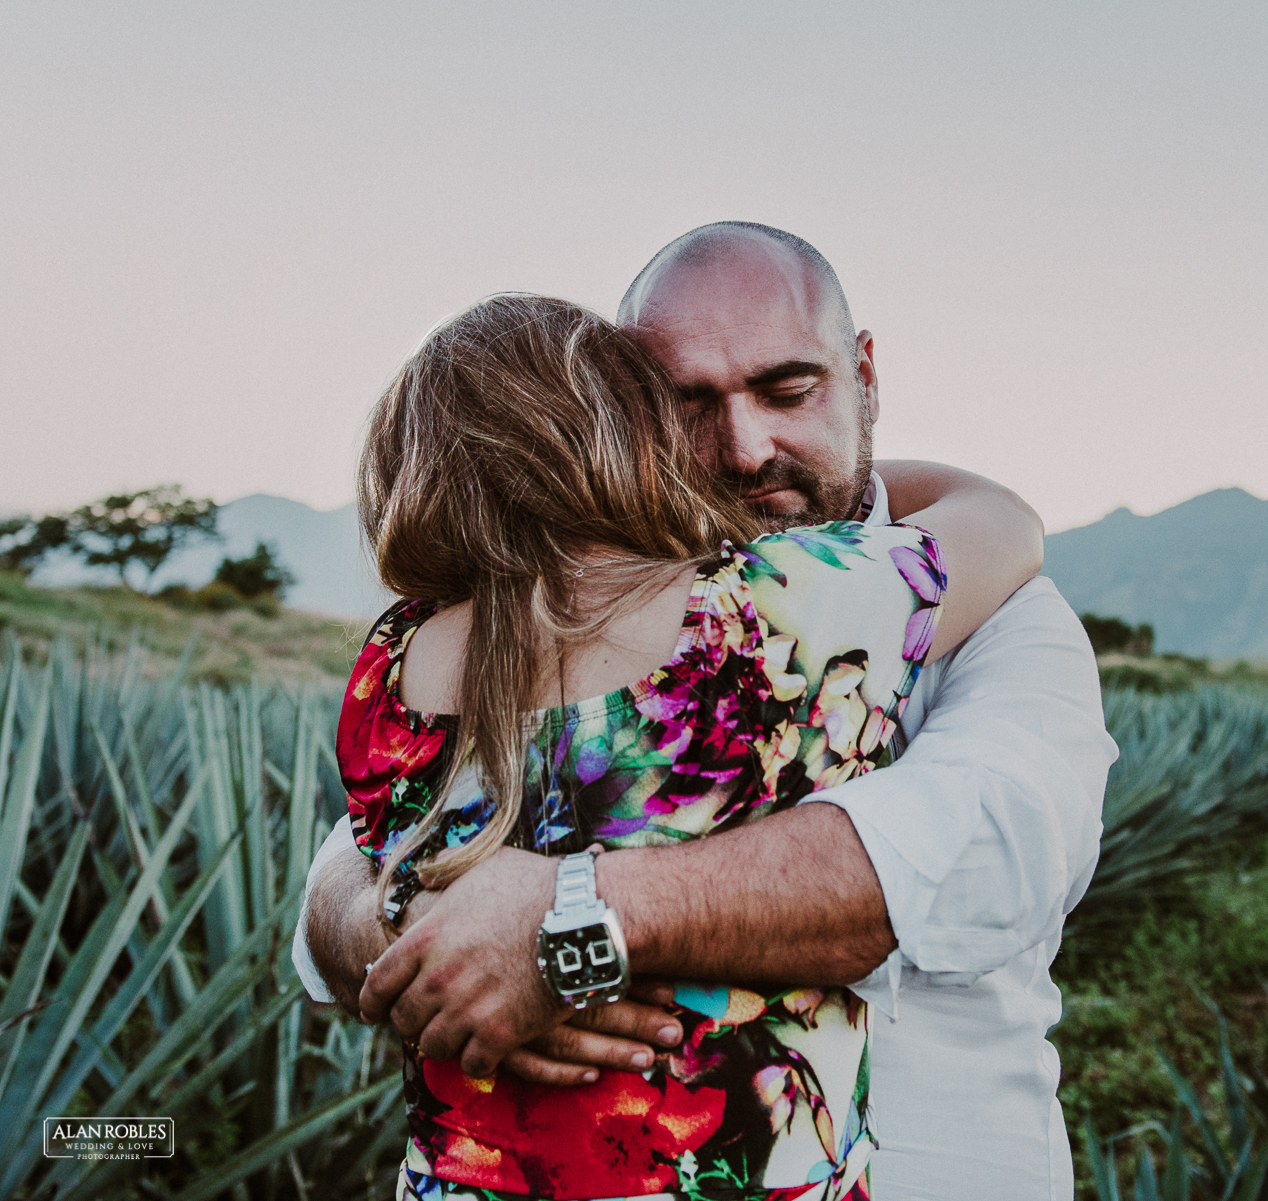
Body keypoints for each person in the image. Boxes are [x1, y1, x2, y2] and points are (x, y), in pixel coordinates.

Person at [295, 222, 1116, 1197]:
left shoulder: (1012, 615)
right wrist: (396, 920)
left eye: (788, 389)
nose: (745, 447)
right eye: (688, 401)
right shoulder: (761, 619)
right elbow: (344, 881)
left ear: (864, 376)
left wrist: (552, 926)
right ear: (624, 421)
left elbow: (950, 864)